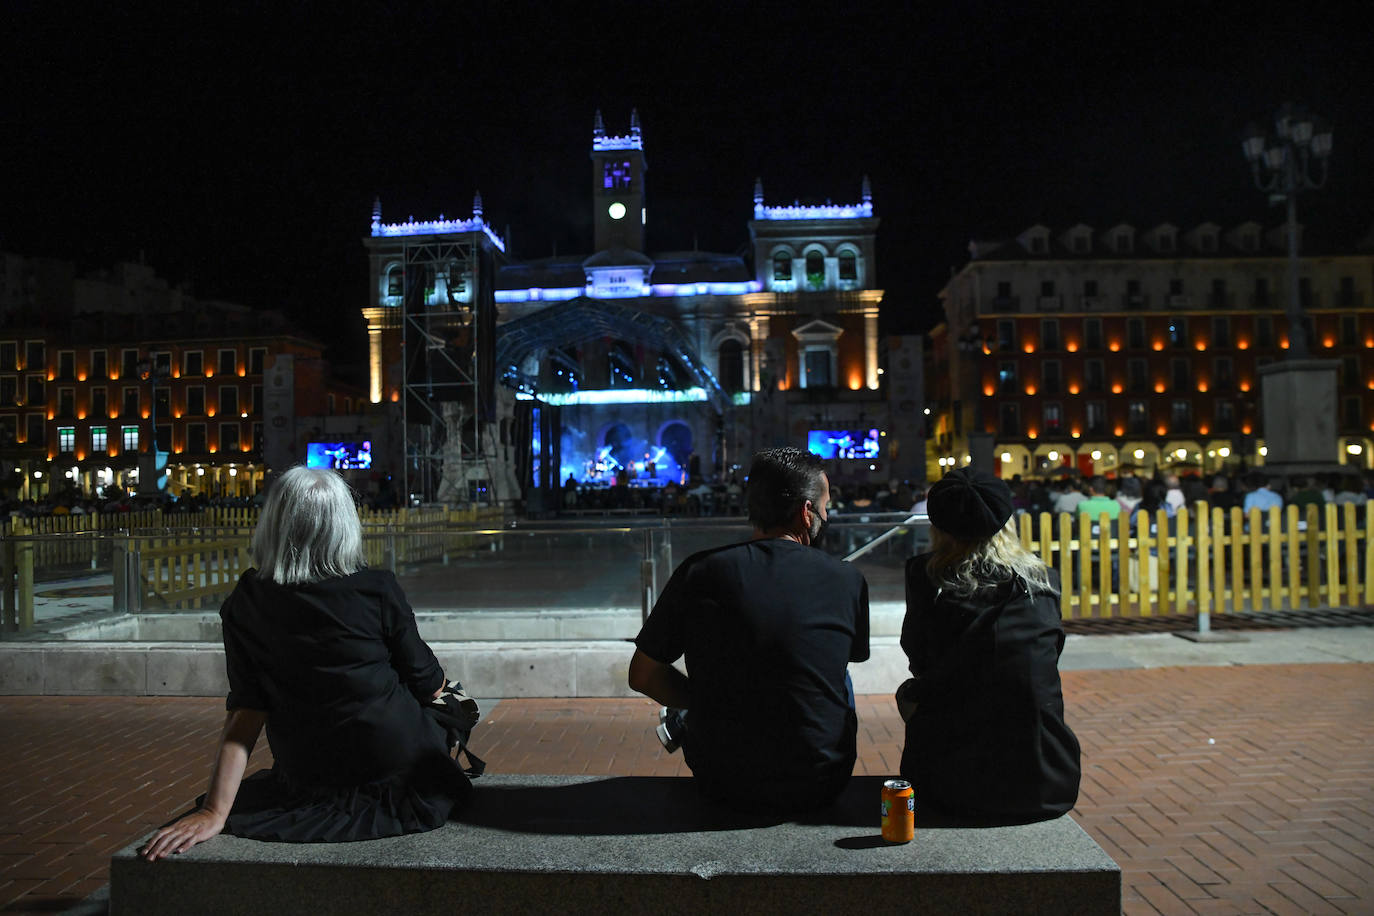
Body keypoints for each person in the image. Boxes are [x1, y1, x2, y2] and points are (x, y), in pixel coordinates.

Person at [140, 467, 472, 861]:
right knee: (454, 707)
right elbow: (427, 681)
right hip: (391, 765)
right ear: (344, 525)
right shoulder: (375, 589)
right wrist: (461, 708)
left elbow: (247, 710)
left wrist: (214, 810)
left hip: (309, 768)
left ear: (275, 524)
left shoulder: (247, 600)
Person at [627, 446, 870, 813]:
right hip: (820, 780)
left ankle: (693, 718)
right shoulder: (847, 579)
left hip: (723, 779)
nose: (826, 515)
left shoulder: (700, 571)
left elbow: (642, 675)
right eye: (825, 507)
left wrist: (702, 702)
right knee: (837, 671)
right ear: (806, 513)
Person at [896, 468, 1080, 822]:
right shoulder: (1042, 578)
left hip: (949, 783)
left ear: (938, 525)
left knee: (913, 693)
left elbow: (918, 657)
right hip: (1045, 778)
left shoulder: (925, 576)